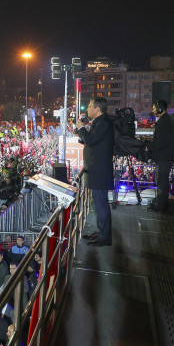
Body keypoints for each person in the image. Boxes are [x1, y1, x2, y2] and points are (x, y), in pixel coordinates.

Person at [76, 97, 115, 247]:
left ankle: (105, 237)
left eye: (90, 106)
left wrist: (81, 129)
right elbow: (93, 141)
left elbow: (91, 140)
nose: (88, 109)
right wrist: (82, 134)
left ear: (97, 109)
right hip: (97, 170)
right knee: (99, 204)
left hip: (99, 170)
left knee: (101, 204)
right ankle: (101, 231)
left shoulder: (103, 123)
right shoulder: (99, 122)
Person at [148, 100, 174, 212]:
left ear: (160, 108)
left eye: (154, 108)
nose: (152, 110)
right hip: (165, 156)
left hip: (164, 157)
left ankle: (161, 205)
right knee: (161, 181)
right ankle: (160, 202)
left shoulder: (164, 122)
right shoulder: (166, 120)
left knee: (162, 181)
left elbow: (161, 141)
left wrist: (150, 146)